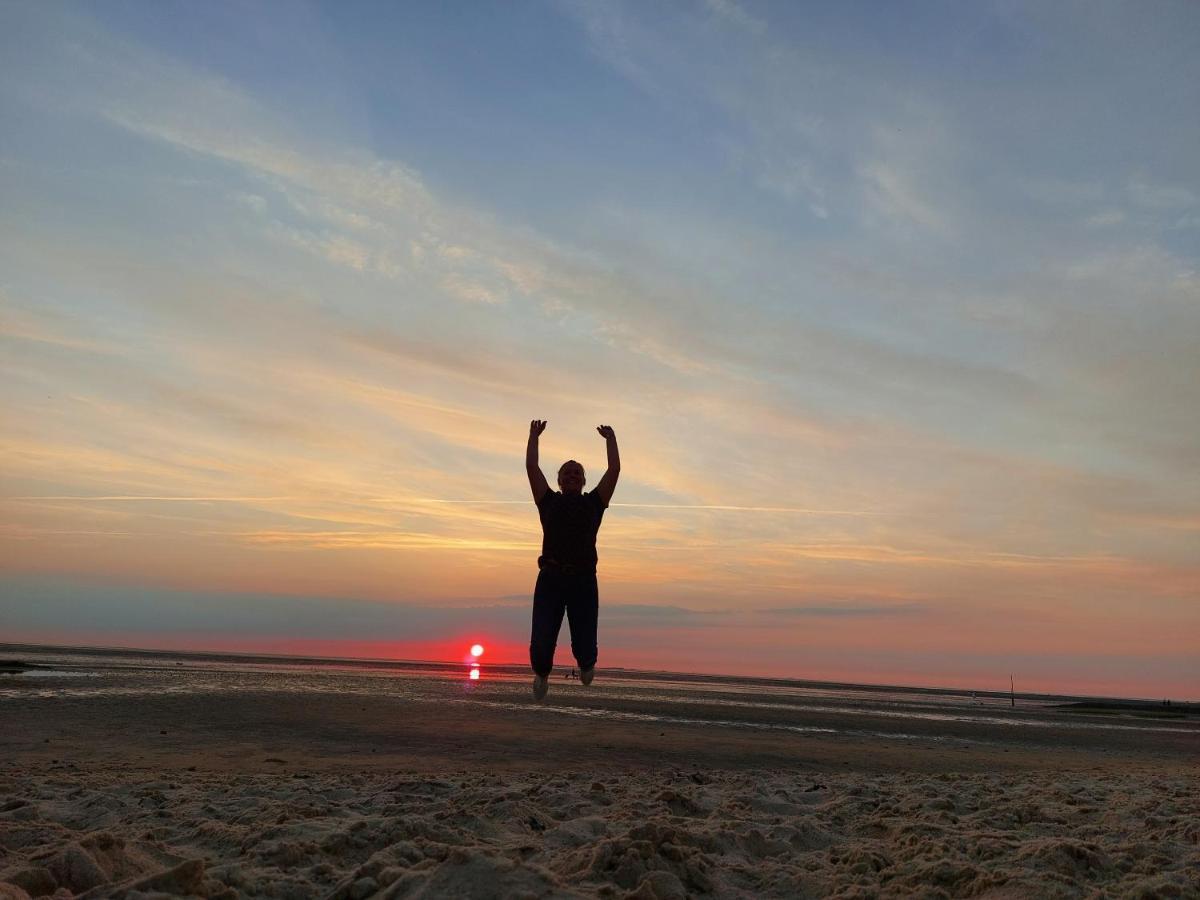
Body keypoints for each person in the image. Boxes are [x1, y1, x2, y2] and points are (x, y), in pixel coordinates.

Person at [525, 419, 620, 700]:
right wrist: (533, 437)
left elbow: (614, 471)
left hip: (583, 580)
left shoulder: (594, 503)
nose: (571, 475)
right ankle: (541, 674)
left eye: (577, 473)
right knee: (542, 640)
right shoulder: (548, 501)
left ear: (583, 481)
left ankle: (587, 663)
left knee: (585, 639)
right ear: (559, 480)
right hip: (551, 578)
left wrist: (610, 440)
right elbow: (532, 469)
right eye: (566, 473)